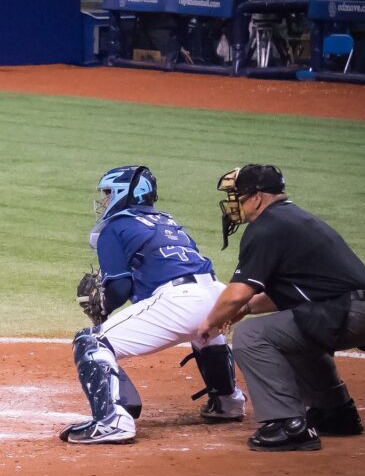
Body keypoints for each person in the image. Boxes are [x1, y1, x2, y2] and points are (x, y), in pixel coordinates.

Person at [196, 165, 365, 452]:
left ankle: (287, 424)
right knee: (293, 333)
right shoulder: (291, 219)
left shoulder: (267, 227)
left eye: (238, 196)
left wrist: (210, 322)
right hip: (364, 310)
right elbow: (298, 291)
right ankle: (334, 412)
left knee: (252, 336)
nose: (234, 203)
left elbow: (236, 294)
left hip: (346, 312)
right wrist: (248, 308)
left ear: (258, 197)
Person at [59, 165, 246, 445]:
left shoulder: (115, 227)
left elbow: (120, 287)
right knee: (204, 332)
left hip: (180, 301)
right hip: (216, 294)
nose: (105, 201)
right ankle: (227, 401)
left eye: (109, 193)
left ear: (125, 193)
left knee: (90, 342)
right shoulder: (167, 221)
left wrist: (104, 308)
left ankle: (112, 421)